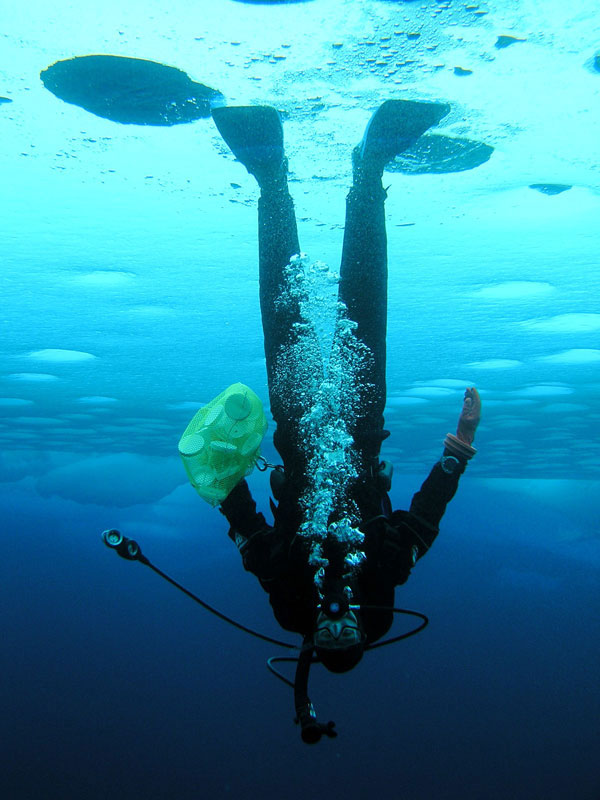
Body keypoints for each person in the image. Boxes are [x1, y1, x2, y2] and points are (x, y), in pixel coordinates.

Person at [211, 99, 481, 735]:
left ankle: (270, 177)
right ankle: (370, 170)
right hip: (361, 426)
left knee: (285, 309)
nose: (336, 625)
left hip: (295, 427)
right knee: (364, 310)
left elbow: (245, 522)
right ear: (365, 634)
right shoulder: (385, 583)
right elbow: (424, 516)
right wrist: (458, 450)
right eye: (347, 638)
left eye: (325, 638)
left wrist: (221, 465)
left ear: (313, 642)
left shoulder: (287, 602)